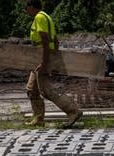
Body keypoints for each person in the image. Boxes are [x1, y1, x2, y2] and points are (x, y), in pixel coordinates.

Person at [24, 0, 83, 128]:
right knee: (31, 89)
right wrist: (53, 59)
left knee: (45, 90)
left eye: (26, 7)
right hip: (41, 58)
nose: (25, 10)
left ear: (32, 6)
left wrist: (44, 62)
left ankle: (73, 111)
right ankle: (38, 119)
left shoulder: (39, 17)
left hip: (42, 58)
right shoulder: (47, 17)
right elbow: (55, 41)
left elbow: (45, 40)